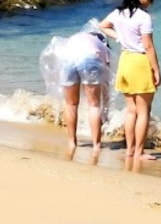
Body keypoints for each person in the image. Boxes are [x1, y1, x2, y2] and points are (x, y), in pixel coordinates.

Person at [100, 0, 161, 165]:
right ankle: (139, 152)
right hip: (140, 61)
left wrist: (119, 38)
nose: (151, 2)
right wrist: (156, 70)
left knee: (131, 110)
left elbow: (102, 26)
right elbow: (149, 46)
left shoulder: (119, 13)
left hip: (125, 60)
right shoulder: (144, 17)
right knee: (143, 111)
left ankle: (130, 150)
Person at [40, 24, 112, 152]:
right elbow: (106, 82)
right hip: (89, 58)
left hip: (66, 60)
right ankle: (96, 145)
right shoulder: (102, 46)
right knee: (94, 105)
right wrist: (105, 108)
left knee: (70, 104)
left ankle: (72, 142)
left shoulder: (76, 37)